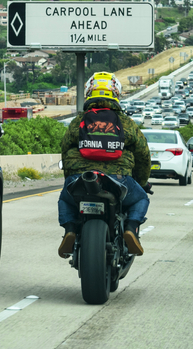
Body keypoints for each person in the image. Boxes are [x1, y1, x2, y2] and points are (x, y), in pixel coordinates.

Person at [58, 72, 151, 258]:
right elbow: (143, 155)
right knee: (141, 199)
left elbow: (65, 149)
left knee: (65, 198)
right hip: (118, 179)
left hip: (81, 178)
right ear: (116, 93)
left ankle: (70, 230)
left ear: (88, 93)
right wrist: (141, 183)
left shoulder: (79, 121)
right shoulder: (126, 123)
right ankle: (131, 228)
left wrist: (71, 178)